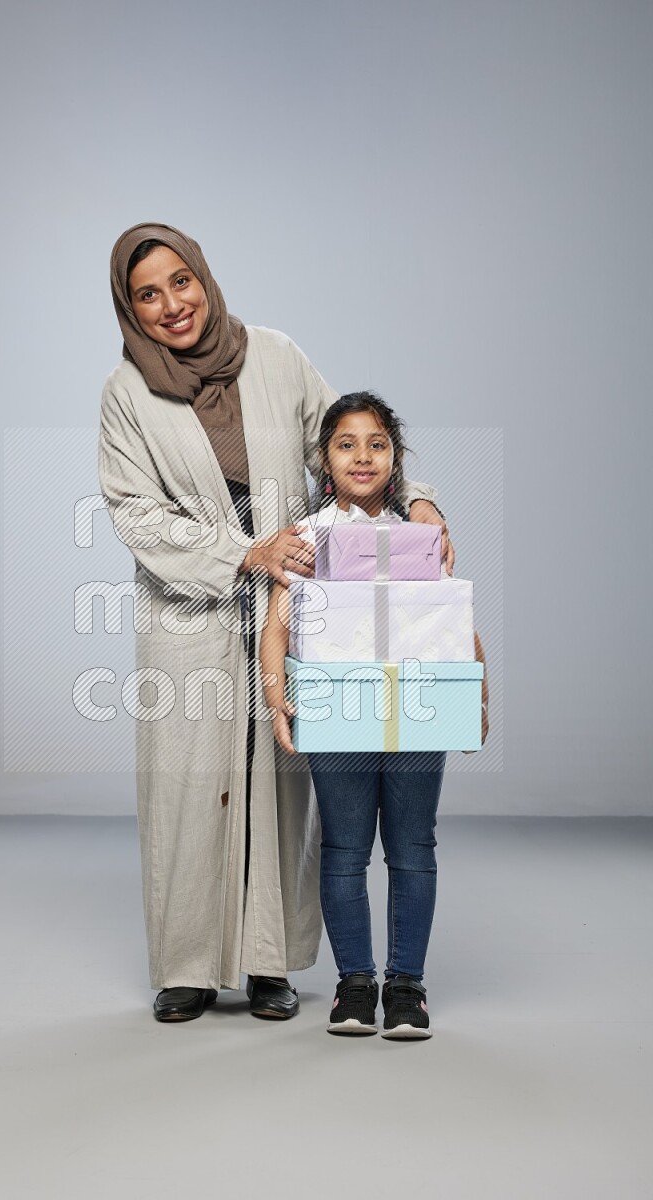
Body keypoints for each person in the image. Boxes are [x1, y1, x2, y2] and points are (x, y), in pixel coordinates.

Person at [99, 225, 452, 1023]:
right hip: (189, 609)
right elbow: (134, 512)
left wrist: (420, 498)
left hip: (298, 599)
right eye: (148, 294)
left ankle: (268, 963)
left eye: (180, 281)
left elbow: (347, 445)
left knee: (285, 787)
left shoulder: (276, 356)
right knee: (187, 787)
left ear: (204, 277)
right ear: (131, 307)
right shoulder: (126, 394)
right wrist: (241, 551)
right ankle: (186, 966)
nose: (171, 305)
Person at [259, 391, 489, 1038]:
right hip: (338, 711)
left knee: (414, 847)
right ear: (325, 463)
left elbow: (450, 617)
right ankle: (354, 985)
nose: (363, 455)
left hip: (416, 707)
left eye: (377, 443)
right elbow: (276, 629)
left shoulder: (422, 536)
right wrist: (279, 700)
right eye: (346, 443)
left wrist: (477, 690)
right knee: (344, 850)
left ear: (396, 460)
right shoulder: (306, 537)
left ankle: (407, 987)